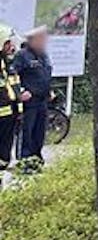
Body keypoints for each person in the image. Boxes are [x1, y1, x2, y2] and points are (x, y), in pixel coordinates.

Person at [11, 27, 51, 172]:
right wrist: (20, 92)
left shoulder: (43, 55)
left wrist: (49, 89)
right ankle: (25, 161)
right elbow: (13, 75)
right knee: (27, 131)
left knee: (39, 132)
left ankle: (36, 160)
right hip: (30, 102)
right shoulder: (22, 55)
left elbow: (45, 74)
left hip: (43, 100)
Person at [0, 37, 21, 172]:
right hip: (3, 107)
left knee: (7, 141)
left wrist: (19, 109)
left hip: (9, 110)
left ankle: (3, 164)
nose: (11, 46)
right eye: (7, 43)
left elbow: (15, 86)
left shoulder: (10, 63)